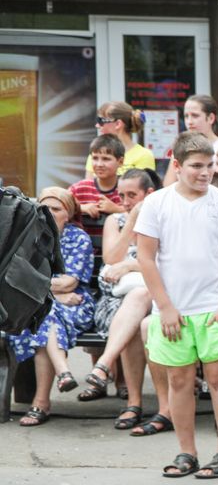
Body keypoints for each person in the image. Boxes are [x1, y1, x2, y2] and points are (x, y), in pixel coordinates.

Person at [135, 131, 218, 480]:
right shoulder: (157, 203)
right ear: (178, 165)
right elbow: (147, 258)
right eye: (197, 166)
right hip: (173, 311)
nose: (205, 172)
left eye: (211, 165)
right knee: (179, 381)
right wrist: (165, 306)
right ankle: (187, 452)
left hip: (213, 307)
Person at [6, 188, 95, 426]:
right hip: (45, 304)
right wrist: (53, 294)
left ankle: (41, 403)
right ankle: (62, 373)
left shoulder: (78, 238)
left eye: (56, 209)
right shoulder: (28, 236)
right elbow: (18, 278)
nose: (48, 213)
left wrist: (44, 290)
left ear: (69, 213)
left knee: (46, 314)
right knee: (48, 314)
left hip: (76, 305)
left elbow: (70, 282)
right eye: (44, 208)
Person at [78, 169, 159, 428]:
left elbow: (165, 263)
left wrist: (132, 266)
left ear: (150, 194)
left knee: (141, 301)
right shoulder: (117, 220)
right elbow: (112, 259)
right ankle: (132, 400)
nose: (125, 201)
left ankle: (109, 369)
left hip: (158, 296)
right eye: (121, 195)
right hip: (115, 302)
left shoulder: (163, 218)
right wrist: (132, 220)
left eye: (132, 195)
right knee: (137, 308)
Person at [163, 95, 218, 186]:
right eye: (186, 116)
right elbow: (168, 186)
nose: (189, 121)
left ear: (211, 118)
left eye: (195, 116)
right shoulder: (180, 147)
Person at [86, 101, 155, 178]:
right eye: (95, 159)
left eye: (100, 120)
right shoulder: (96, 152)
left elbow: (144, 187)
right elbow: (88, 186)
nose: (97, 125)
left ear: (118, 124)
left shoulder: (144, 155)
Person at [70, 135, 125, 220]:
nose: (99, 164)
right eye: (95, 158)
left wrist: (117, 209)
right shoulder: (79, 188)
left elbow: (141, 212)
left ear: (120, 161)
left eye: (106, 159)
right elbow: (58, 205)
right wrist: (80, 208)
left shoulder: (127, 189)